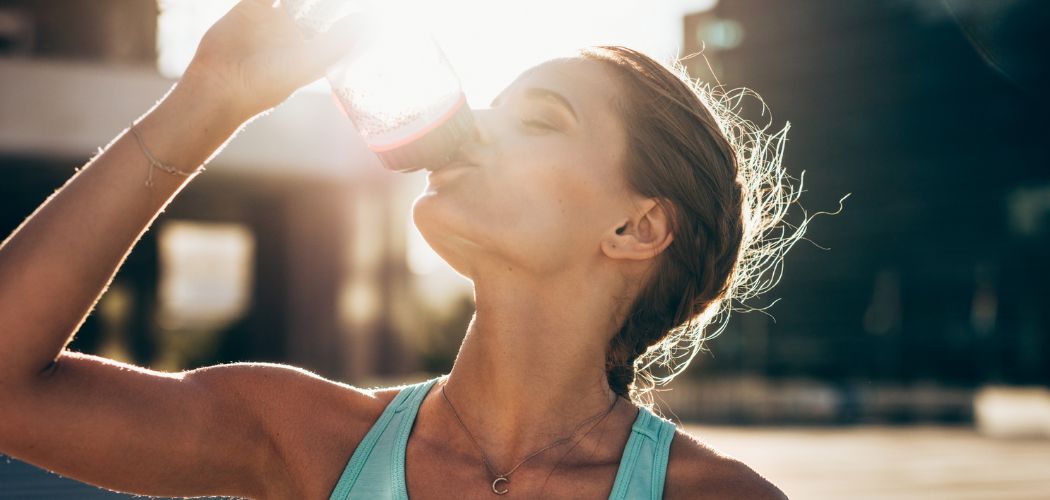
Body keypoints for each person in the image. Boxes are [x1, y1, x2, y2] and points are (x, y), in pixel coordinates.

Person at [0, 1, 799, 498]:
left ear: (636, 229)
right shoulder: (305, 439)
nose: (476, 125)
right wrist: (208, 101)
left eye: (541, 119)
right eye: (492, 104)